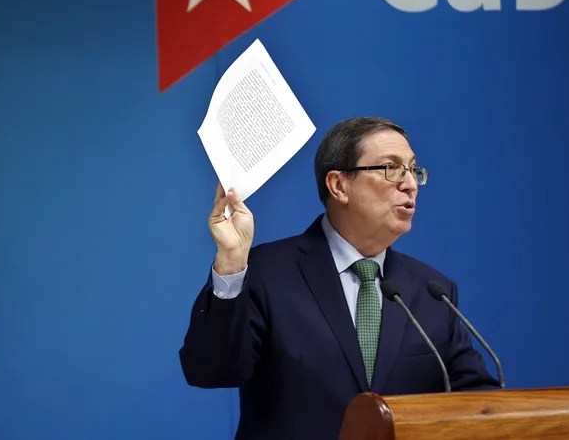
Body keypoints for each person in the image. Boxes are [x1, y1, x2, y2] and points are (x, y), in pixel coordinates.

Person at [180, 117, 498, 440]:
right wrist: (232, 263)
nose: (410, 184)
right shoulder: (268, 272)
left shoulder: (433, 292)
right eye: (392, 168)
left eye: (414, 170)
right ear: (338, 185)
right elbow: (210, 370)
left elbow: (482, 404)